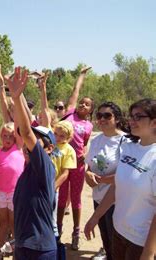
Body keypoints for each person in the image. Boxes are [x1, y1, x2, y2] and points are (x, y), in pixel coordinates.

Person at [85, 98, 156, 260]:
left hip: (140, 240)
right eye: (131, 116)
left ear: (154, 123)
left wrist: (149, 252)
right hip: (119, 231)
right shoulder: (130, 148)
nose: (132, 120)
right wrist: (96, 216)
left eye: (138, 117)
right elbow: (117, 185)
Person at [7, 67, 57, 259]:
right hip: (23, 245)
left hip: (40, 250)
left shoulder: (45, 167)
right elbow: (23, 130)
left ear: (49, 148)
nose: (30, 144)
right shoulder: (28, 168)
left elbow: (27, 133)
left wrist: (17, 97)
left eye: (37, 141)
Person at [84, 102, 128, 260]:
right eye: (99, 115)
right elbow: (89, 167)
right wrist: (88, 175)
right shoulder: (97, 140)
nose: (102, 119)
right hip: (98, 198)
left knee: (117, 243)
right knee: (107, 240)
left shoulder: (126, 142)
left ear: (117, 119)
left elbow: (126, 175)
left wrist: (100, 179)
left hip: (117, 201)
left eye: (107, 115)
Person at [57, 66, 94, 250]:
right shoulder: (69, 113)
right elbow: (75, 91)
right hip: (62, 163)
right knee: (62, 199)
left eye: (87, 104)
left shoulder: (88, 125)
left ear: (90, 110)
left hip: (78, 165)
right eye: (82, 102)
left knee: (76, 200)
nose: (83, 105)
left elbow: (85, 144)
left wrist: (84, 155)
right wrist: (81, 75)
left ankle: (76, 232)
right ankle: (58, 231)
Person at [0, 122, 24, 257]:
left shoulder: (19, 149)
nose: (8, 139)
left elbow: (20, 127)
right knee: (2, 223)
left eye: (11, 136)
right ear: (0, 137)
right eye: (5, 136)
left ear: (16, 138)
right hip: (1, 193)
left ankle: (17, 254)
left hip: (15, 193)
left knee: (14, 224)